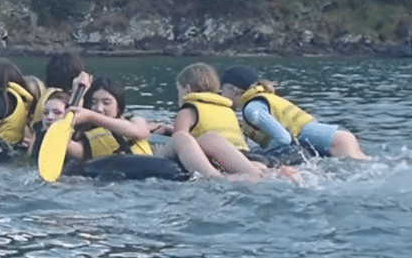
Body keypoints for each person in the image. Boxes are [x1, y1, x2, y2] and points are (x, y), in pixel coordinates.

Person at [150, 62, 271, 180]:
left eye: (178, 90)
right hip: (241, 157)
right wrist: (168, 128)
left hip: (213, 161)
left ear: (187, 89)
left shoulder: (188, 110)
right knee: (210, 137)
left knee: (179, 138)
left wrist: (160, 153)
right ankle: (258, 172)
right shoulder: (227, 109)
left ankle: (213, 176)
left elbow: (182, 140)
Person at [220, 65, 368, 160]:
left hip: (334, 143)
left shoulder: (252, 108)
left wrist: (262, 155)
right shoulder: (265, 97)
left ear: (233, 90)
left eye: (223, 89)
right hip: (339, 136)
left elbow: (283, 138)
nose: (221, 94)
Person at [63, 77, 153, 161]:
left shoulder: (136, 120)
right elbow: (62, 141)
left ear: (118, 106)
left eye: (106, 103)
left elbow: (139, 132)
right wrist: (76, 93)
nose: (98, 108)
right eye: (93, 102)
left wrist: (91, 116)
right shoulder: (84, 141)